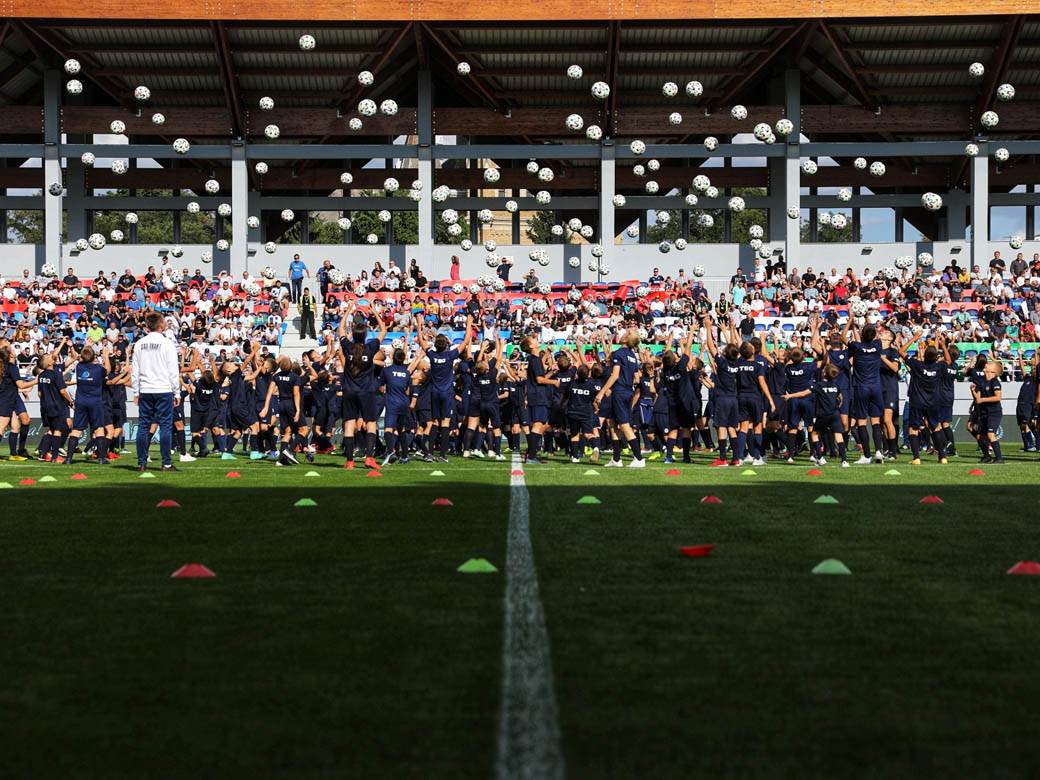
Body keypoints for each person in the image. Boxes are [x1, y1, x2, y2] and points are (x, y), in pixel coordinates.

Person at [131, 311, 181, 472]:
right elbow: (173, 370)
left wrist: (136, 391)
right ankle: (166, 463)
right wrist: (177, 391)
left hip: (145, 389)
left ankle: (141, 462)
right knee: (165, 426)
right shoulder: (167, 344)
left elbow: (135, 370)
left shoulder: (139, 344)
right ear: (161, 325)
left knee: (143, 426)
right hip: (163, 388)